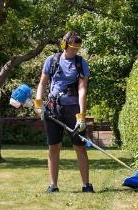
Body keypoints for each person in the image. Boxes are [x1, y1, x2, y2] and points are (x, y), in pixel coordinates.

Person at [34, 31, 94, 193]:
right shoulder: (51, 61)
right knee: (53, 146)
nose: (75, 51)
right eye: (72, 48)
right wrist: (38, 103)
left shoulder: (81, 63)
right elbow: (42, 84)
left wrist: (81, 116)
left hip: (73, 109)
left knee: (79, 147)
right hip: (53, 109)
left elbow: (82, 90)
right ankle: (53, 185)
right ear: (64, 45)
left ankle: (86, 185)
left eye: (77, 49)